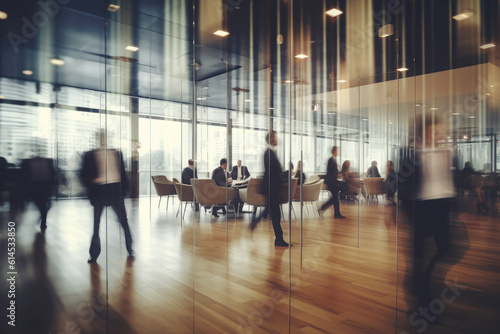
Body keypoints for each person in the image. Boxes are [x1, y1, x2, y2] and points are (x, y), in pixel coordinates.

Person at [399, 114, 454, 306]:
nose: (441, 135)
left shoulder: (444, 153)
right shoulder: (410, 155)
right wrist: (408, 212)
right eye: (436, 131)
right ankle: (421, 290)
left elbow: (446, 181)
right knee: (419, 254)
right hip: (420, 210)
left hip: (439, 208)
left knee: (445, 247)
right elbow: (402, 186)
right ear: (424, 133)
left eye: (441, 132)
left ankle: (422, 279)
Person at [80, 132, 134, 263]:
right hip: (100, 190)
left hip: (115, 190)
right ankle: (94, 254)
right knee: (97, 224)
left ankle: (130, 248)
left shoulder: (117, 153)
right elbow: (83, 174)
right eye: (100, 138)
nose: (103, 140)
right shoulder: (89, 155)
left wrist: (125, 191)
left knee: (123, 222)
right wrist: (93, 181)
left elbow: (122, 173)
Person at [250, 130, 289, 247]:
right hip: (272, 188)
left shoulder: (271, 152)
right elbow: (272, 172)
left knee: (271, 212)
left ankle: (256, 222)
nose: (277, 140)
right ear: (272, 139)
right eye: (276, 138)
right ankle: (279, 239)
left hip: (273, 188)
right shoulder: (268, 153)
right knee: (275, 214)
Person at [20, 156, 58, 230]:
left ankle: (42, 218)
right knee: (44, 204)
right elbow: (53, 175)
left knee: (40, 204)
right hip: (45, 185)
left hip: (34, 186)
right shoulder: (47, 163)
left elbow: (23, 176)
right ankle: (43, 220)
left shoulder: (28, 163)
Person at [319, 146, 346, 218]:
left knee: (334, 198)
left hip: (333, 182)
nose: (338, 152)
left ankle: (333, 212)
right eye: (337, 151)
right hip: (331, 182)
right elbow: (330, 172)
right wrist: (337, 175)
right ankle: (335, 213)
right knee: (335, 198)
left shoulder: (333, 160)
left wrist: (339, 174)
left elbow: (334, 171)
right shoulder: (331, 160)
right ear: (334, 151)